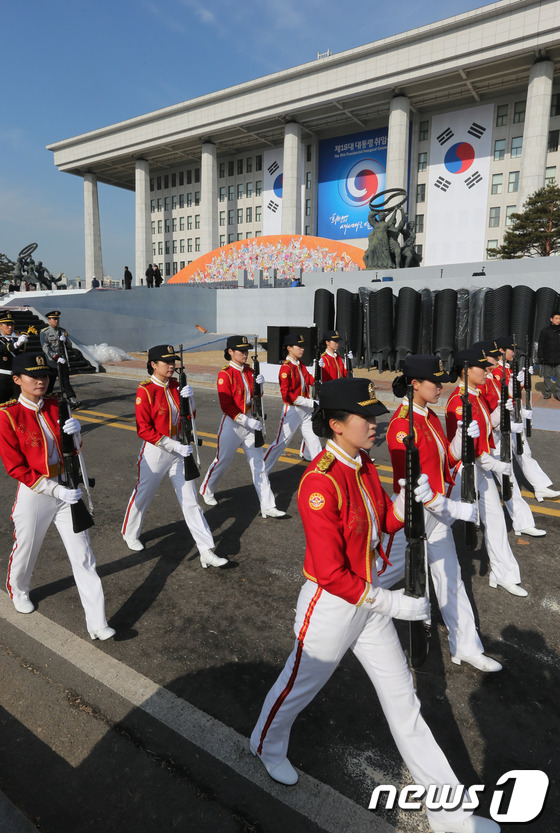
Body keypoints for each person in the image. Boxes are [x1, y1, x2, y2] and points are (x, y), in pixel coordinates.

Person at [251, 377, 499, 833]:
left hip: (369, 602)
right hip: (331, 605)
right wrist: (395, 603)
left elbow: (385, 519)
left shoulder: (362, 462)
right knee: (297, 687)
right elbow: (330, 573)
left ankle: (452, 818)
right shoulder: (319, 484)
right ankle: (265, 743)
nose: (375, 425)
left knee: (405, 705)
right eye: (365, 418)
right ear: (336, 424)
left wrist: (413, 500)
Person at [382, 355, 501, 672]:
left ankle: (467, 647)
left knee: (452, 581)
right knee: (376, 579)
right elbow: (409, 489)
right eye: (434, 382)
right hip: (413, 519)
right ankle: (343, 614)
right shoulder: (400, 428)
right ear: (415, 385)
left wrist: (463, 438)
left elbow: (446, 460)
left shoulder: (429, 417)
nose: (441, 386)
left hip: (435, 518)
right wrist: (452, 507)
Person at [0, 353, 115, 641]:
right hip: (36, 491)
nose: (41, 381)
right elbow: (16, 467)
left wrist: (75, 435)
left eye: (45, 375)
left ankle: (97, 621)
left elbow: (72, 452)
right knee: (27, 547)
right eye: (33, 376)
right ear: (17, 380)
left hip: (67, 487)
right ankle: (19, 588)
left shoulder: (56, 406)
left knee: (83, 555)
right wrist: (54, 489)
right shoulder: (8, 415)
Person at [122, 344, 227, 568]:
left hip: (180, 450)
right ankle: (130, 533)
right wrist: (172, 445)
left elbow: (190, 417)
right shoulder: (146, 390)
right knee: (144, 494)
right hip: (157, 450)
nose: (172, 366)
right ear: (153, 364)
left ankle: (205, 549)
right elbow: (143, 428)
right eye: (167, 362)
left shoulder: (176, 386)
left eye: (173, 362)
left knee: (191, 502)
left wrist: (190, 400)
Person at [446, 348, 527, 597]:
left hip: (480, 468)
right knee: (435, 523)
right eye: (481, 367)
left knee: (494, 519)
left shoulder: (476, 396)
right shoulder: (459, 402)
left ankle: (503, 573)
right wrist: (495, 465)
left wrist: (502, 411)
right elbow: (468, 449)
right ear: (466, 371)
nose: (487, 370)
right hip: (463, 473)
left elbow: (485, 426)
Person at [200, 335, 286, 517]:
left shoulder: (249, 371)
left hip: (251, 420)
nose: (245, 354)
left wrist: (260, 386)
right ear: (230, 352)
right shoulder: (225, 374)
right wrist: (245, 421)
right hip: (233, 424)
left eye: (246, 350)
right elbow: (226, 405)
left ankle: (268, 505)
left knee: (258, 465)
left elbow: (256, 397)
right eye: (241, 350)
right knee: (222, 461)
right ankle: (207, 488)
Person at [473, 339, 549, 534]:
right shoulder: (480, 385)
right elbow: (484, 418)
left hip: (497, 436)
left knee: (509, 480)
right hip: (485, 442)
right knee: (472, 489)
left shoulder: (489, 380)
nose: (496, 359)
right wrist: (500, 420)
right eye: (492, 356)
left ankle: (522, 523)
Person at [263, 333, 322, 474]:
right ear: (289, 348)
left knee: (314, 441)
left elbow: (310, 380)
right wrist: (309, 402)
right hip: (292, 410)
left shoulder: (299, 365)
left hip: (305, 410)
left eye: (303, 346)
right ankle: (261, 471)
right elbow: (287, 395)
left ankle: (320, 472)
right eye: (299, 346)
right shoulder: (286, 368)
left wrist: (318, 368)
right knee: (280, 443)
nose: (302, 349)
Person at [39, 310, 81, 408]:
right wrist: (55, 357)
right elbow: (45, 347)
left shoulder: (62, 331)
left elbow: (70, 345)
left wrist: (65, 341)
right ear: (49, 320)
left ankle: (72, 399)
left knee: (65, 381)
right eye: (54, 319)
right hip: (51, 362)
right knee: (50, 382)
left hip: (62, 360)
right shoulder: (45, 332)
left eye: (57, 319)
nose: (56, 321)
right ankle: (45, 400)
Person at [0, 312, 29, 404]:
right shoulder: (15, 341)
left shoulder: (17, 339)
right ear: (0, 326)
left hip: (16, 377)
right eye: (7, 324)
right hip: (2, 378)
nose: (10, 327)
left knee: (19, 403)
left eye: (12, 324)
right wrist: (17, 344)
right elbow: (4, 348)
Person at [537, 310, 560, 400]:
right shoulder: (545, 331)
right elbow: (541, 344)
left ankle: (558, 393)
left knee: (559, 376)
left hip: (559, 358)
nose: (558, 320)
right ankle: (547, 392)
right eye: (556, 318)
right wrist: (540, 356)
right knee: (546, 376)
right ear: (551, 319)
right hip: (547, 357)